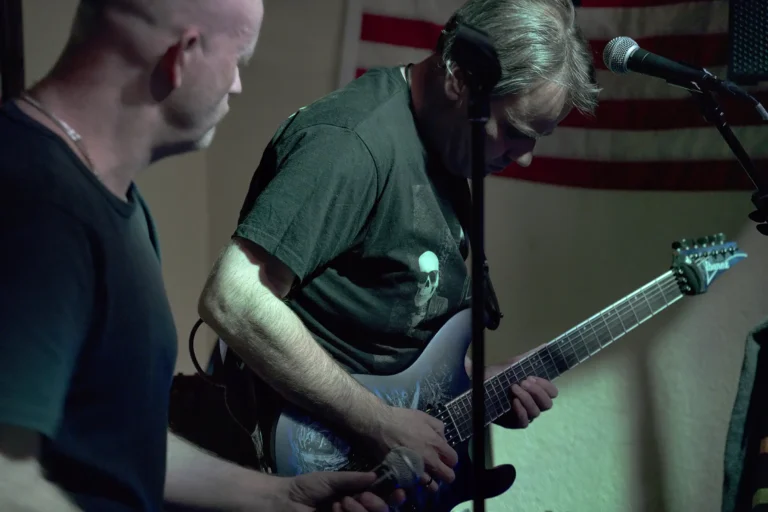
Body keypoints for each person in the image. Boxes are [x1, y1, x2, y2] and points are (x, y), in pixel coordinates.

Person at [0, 0, 404, 510]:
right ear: (183, 54)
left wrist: (281, 496)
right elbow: (6, 479)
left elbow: (124, 443)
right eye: (238, 60)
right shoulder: (37, 203)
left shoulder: (115, 200)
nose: (237, 85)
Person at [197, 0, 600, 504]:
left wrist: (478, 387)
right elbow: (233, 297)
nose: (525, 158)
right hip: (292, 470)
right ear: (459, 79)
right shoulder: (351, 144)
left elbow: (388, 334)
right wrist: (378, 424)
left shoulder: (442, 148)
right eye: (516, 132)